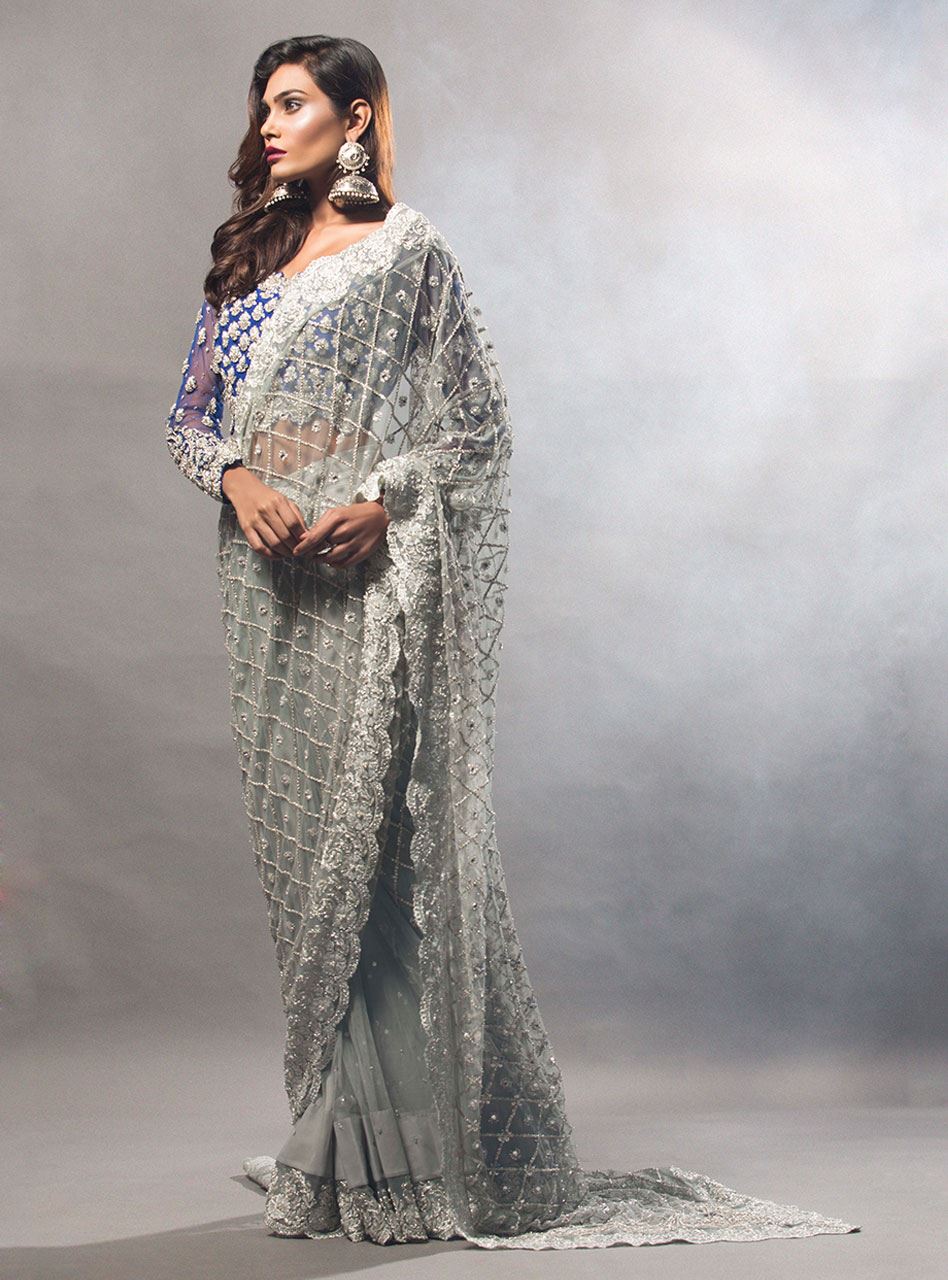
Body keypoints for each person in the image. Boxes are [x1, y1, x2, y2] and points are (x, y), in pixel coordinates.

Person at [165, 34, 860, 1250]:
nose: (268, 124)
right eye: (262, 106)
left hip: (366, 579)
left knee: (376, 864)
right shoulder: (249, 256)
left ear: (357, 117)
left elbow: (477, 427)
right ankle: (352, 1140)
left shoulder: (409, 251)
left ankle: (391, 1156)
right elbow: (190, 417)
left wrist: (384, 499)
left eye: (292, 102)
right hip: (263, 584)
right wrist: (236, 480)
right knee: (304, 872)